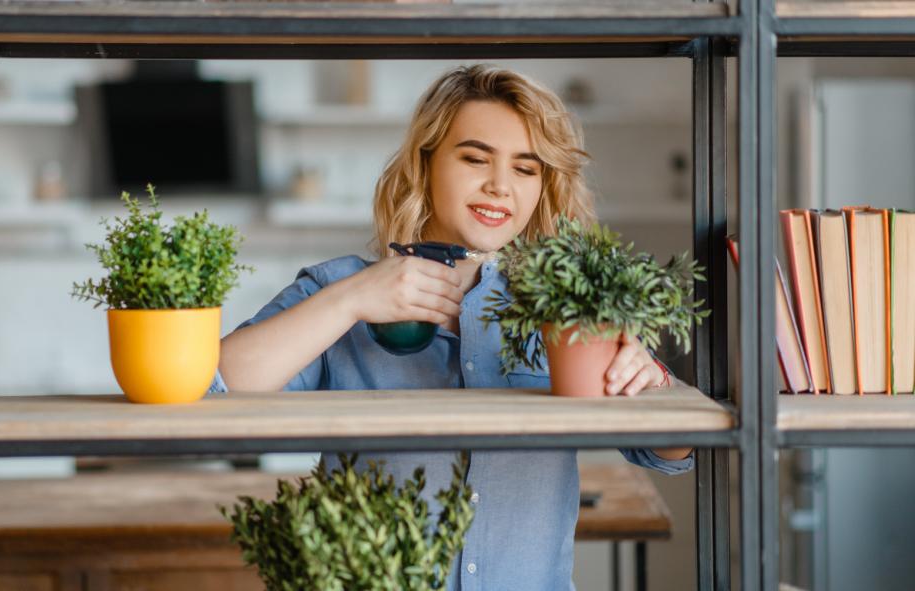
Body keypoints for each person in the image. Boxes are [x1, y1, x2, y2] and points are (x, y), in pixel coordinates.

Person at [212, 63, 692, 590]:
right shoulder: (339, 289)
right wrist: (348, 301)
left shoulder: (568, 306)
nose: (499, 186)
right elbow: (215, 389)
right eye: (474, 158)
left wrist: (654, 385)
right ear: (426, 164)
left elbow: (668, 453)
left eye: (526, 169)